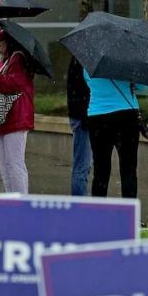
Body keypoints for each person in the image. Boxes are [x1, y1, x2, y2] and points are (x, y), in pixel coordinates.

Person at [84, 69, 147, 200]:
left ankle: (98, 213)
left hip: (97, 115)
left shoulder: (90, 59)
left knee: (100, 169)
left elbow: (88, 80)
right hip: (127, 115)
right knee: (128, 169)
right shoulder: (129, 61)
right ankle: (129, 214)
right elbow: (143, 87)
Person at [0, 29, 34, 194]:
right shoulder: (3, 62)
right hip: (4, 120)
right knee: (4, 164)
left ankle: (21, 203)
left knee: (14, 164)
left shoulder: (18, 59)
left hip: (16, 117)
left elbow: (13, 84)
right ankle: (11, 199)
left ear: (10, 42)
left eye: (1, 41)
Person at [67, 56, 92, 196]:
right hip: (83, 118)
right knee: (82, 166)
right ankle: (79, 206)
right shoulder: (83, 59)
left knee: (83, 165)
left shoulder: (79, 57)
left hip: (80, 115)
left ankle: (80, 203)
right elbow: (82, 89)